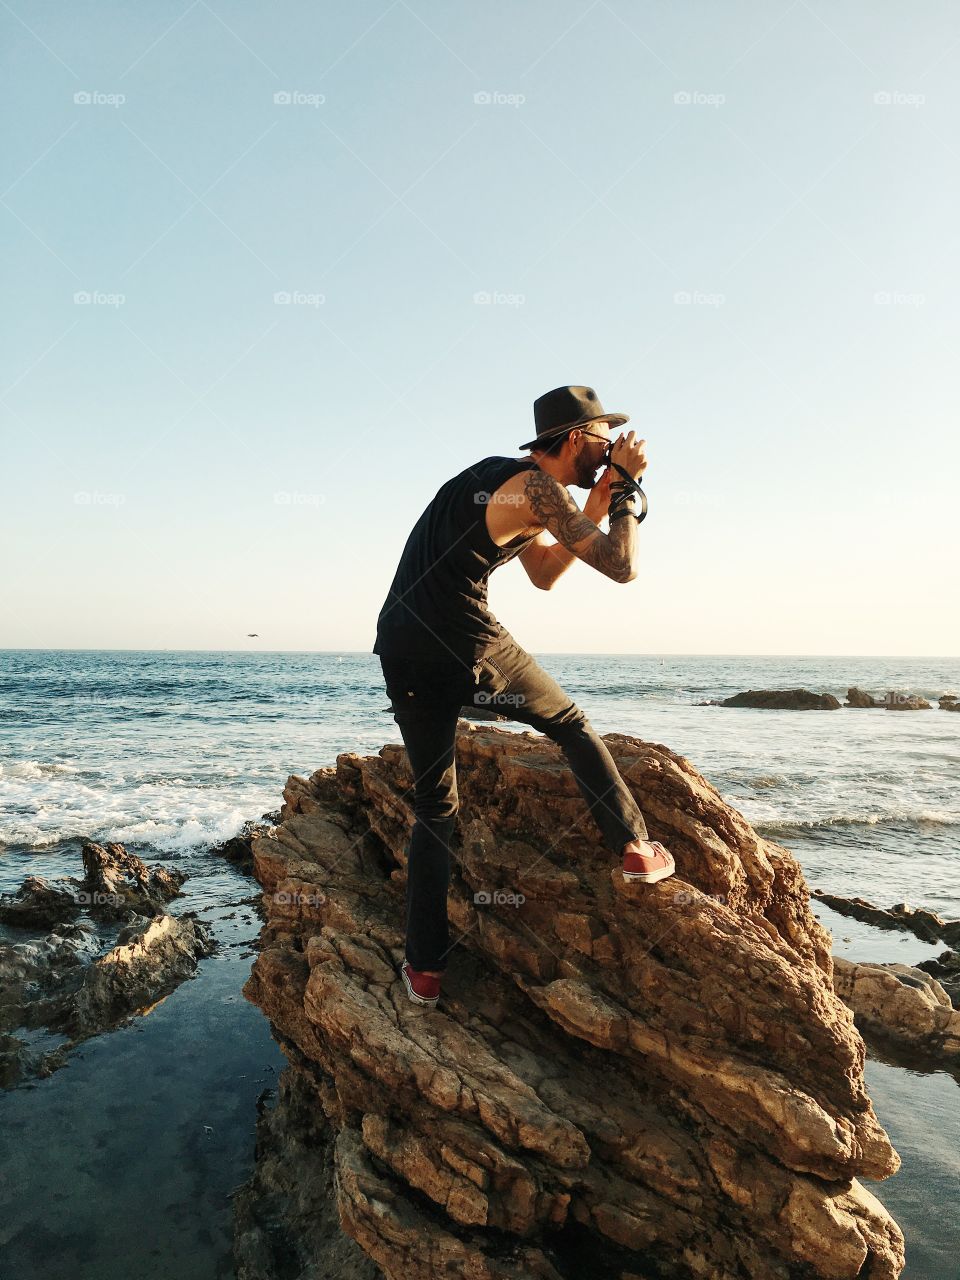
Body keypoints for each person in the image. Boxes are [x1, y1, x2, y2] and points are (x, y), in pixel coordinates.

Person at [372, 385, 675, 1008]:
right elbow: (622, 566)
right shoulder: (538, 491)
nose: (610, 448)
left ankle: (424, 972)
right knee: (570, 723)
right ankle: (636, 848)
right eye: (603, 441)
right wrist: (625, 489)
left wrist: (597, 496)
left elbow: (542, 574)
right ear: (575, 438)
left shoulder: (504, 481)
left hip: (403, 645)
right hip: (465, 642)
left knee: (435, 808)